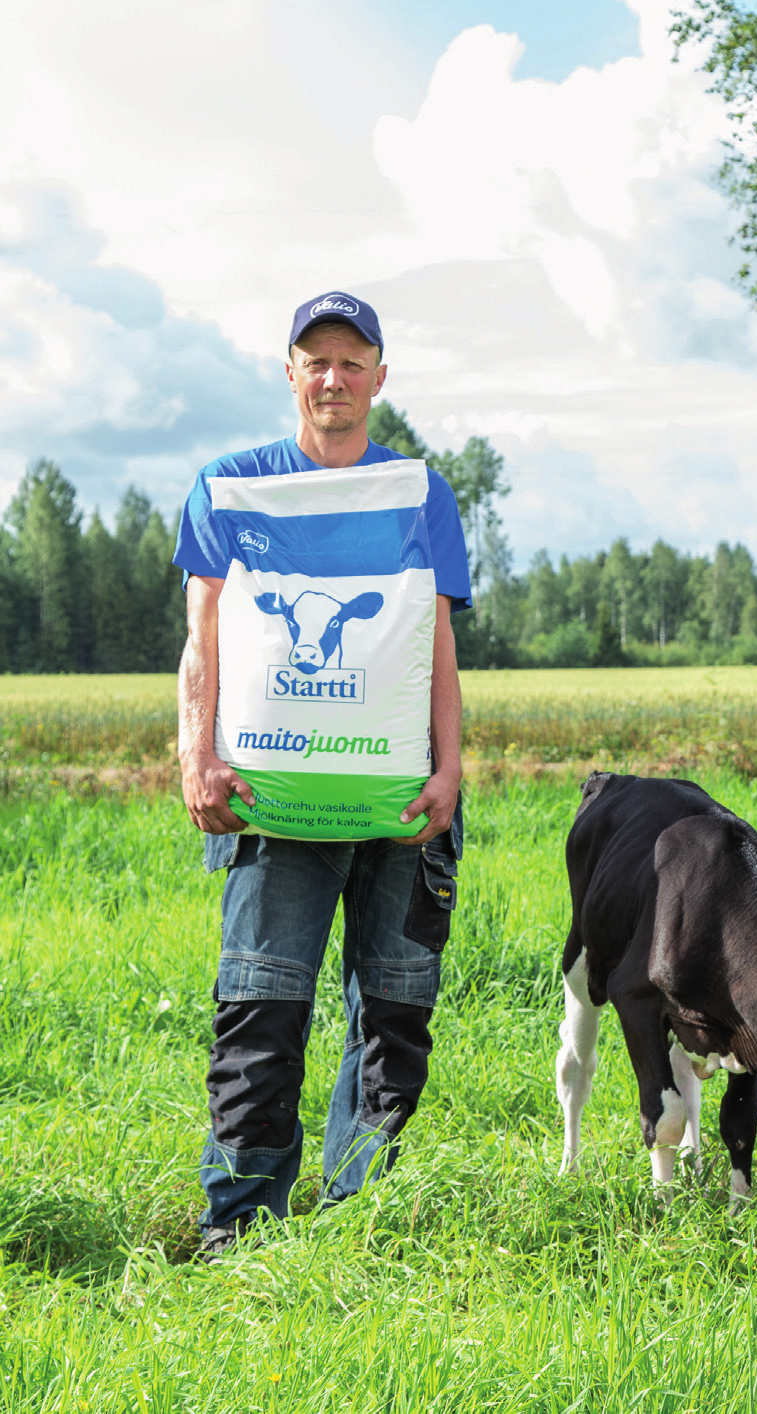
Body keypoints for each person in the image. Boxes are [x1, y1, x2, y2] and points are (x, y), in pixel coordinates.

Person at [173, 291, 472, 1260]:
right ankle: (240, 1224)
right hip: (276, 805)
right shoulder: (231, 488)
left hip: (397, 804)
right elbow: (204, 635)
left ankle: (357, 1217)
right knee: (260, 1007)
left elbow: (437, 639)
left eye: (353, 361)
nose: (334, 378)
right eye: (317, 361)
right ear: (290, 373)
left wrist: (451, 768)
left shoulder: (420, 493)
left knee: (393, 1013)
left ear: (380, 378)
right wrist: (196, 753)